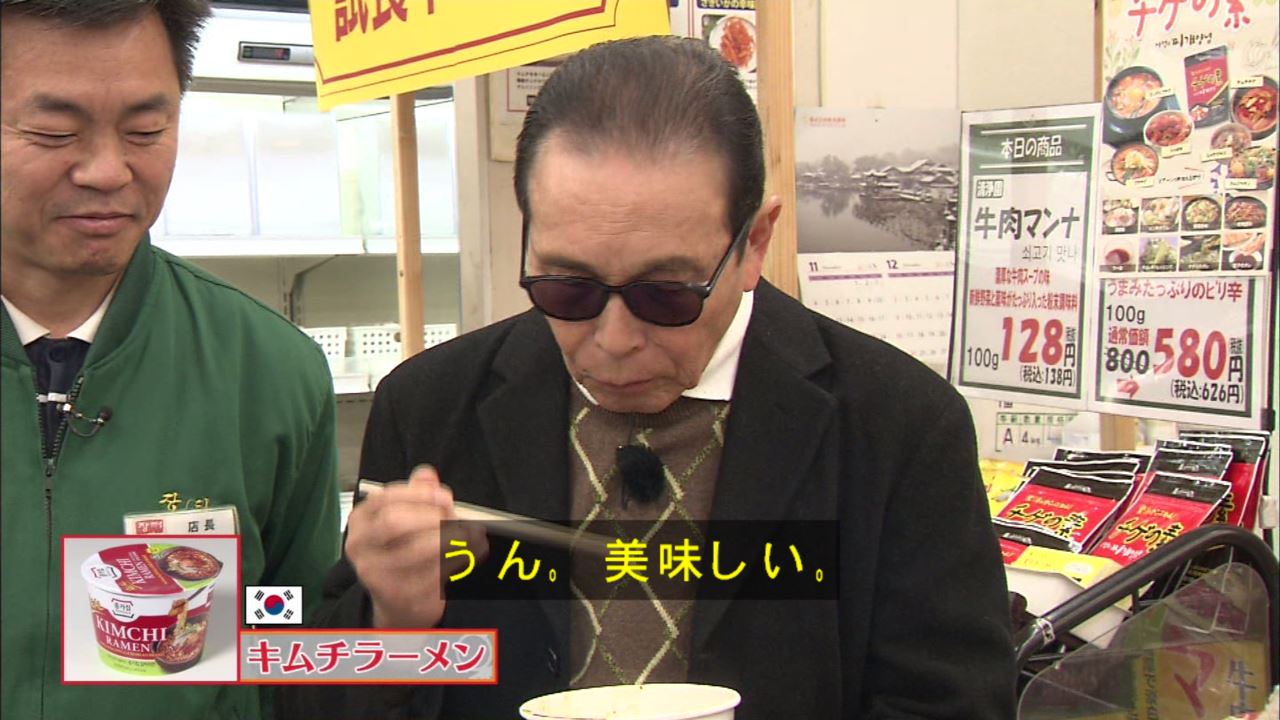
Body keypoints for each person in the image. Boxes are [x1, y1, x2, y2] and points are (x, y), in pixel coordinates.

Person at [298, 36, 1015, 719]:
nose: (614, 341)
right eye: (568, 286)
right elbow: (320, 696)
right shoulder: (432, 406)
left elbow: (953, 701)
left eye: (665, 295)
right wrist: (394, 623)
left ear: (754, 243)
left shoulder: (897, 426)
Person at [0, 2, 340, 718]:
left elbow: (291, 635)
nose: (107, 170)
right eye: (54, 131)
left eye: (146, 131)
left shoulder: (269, 372)